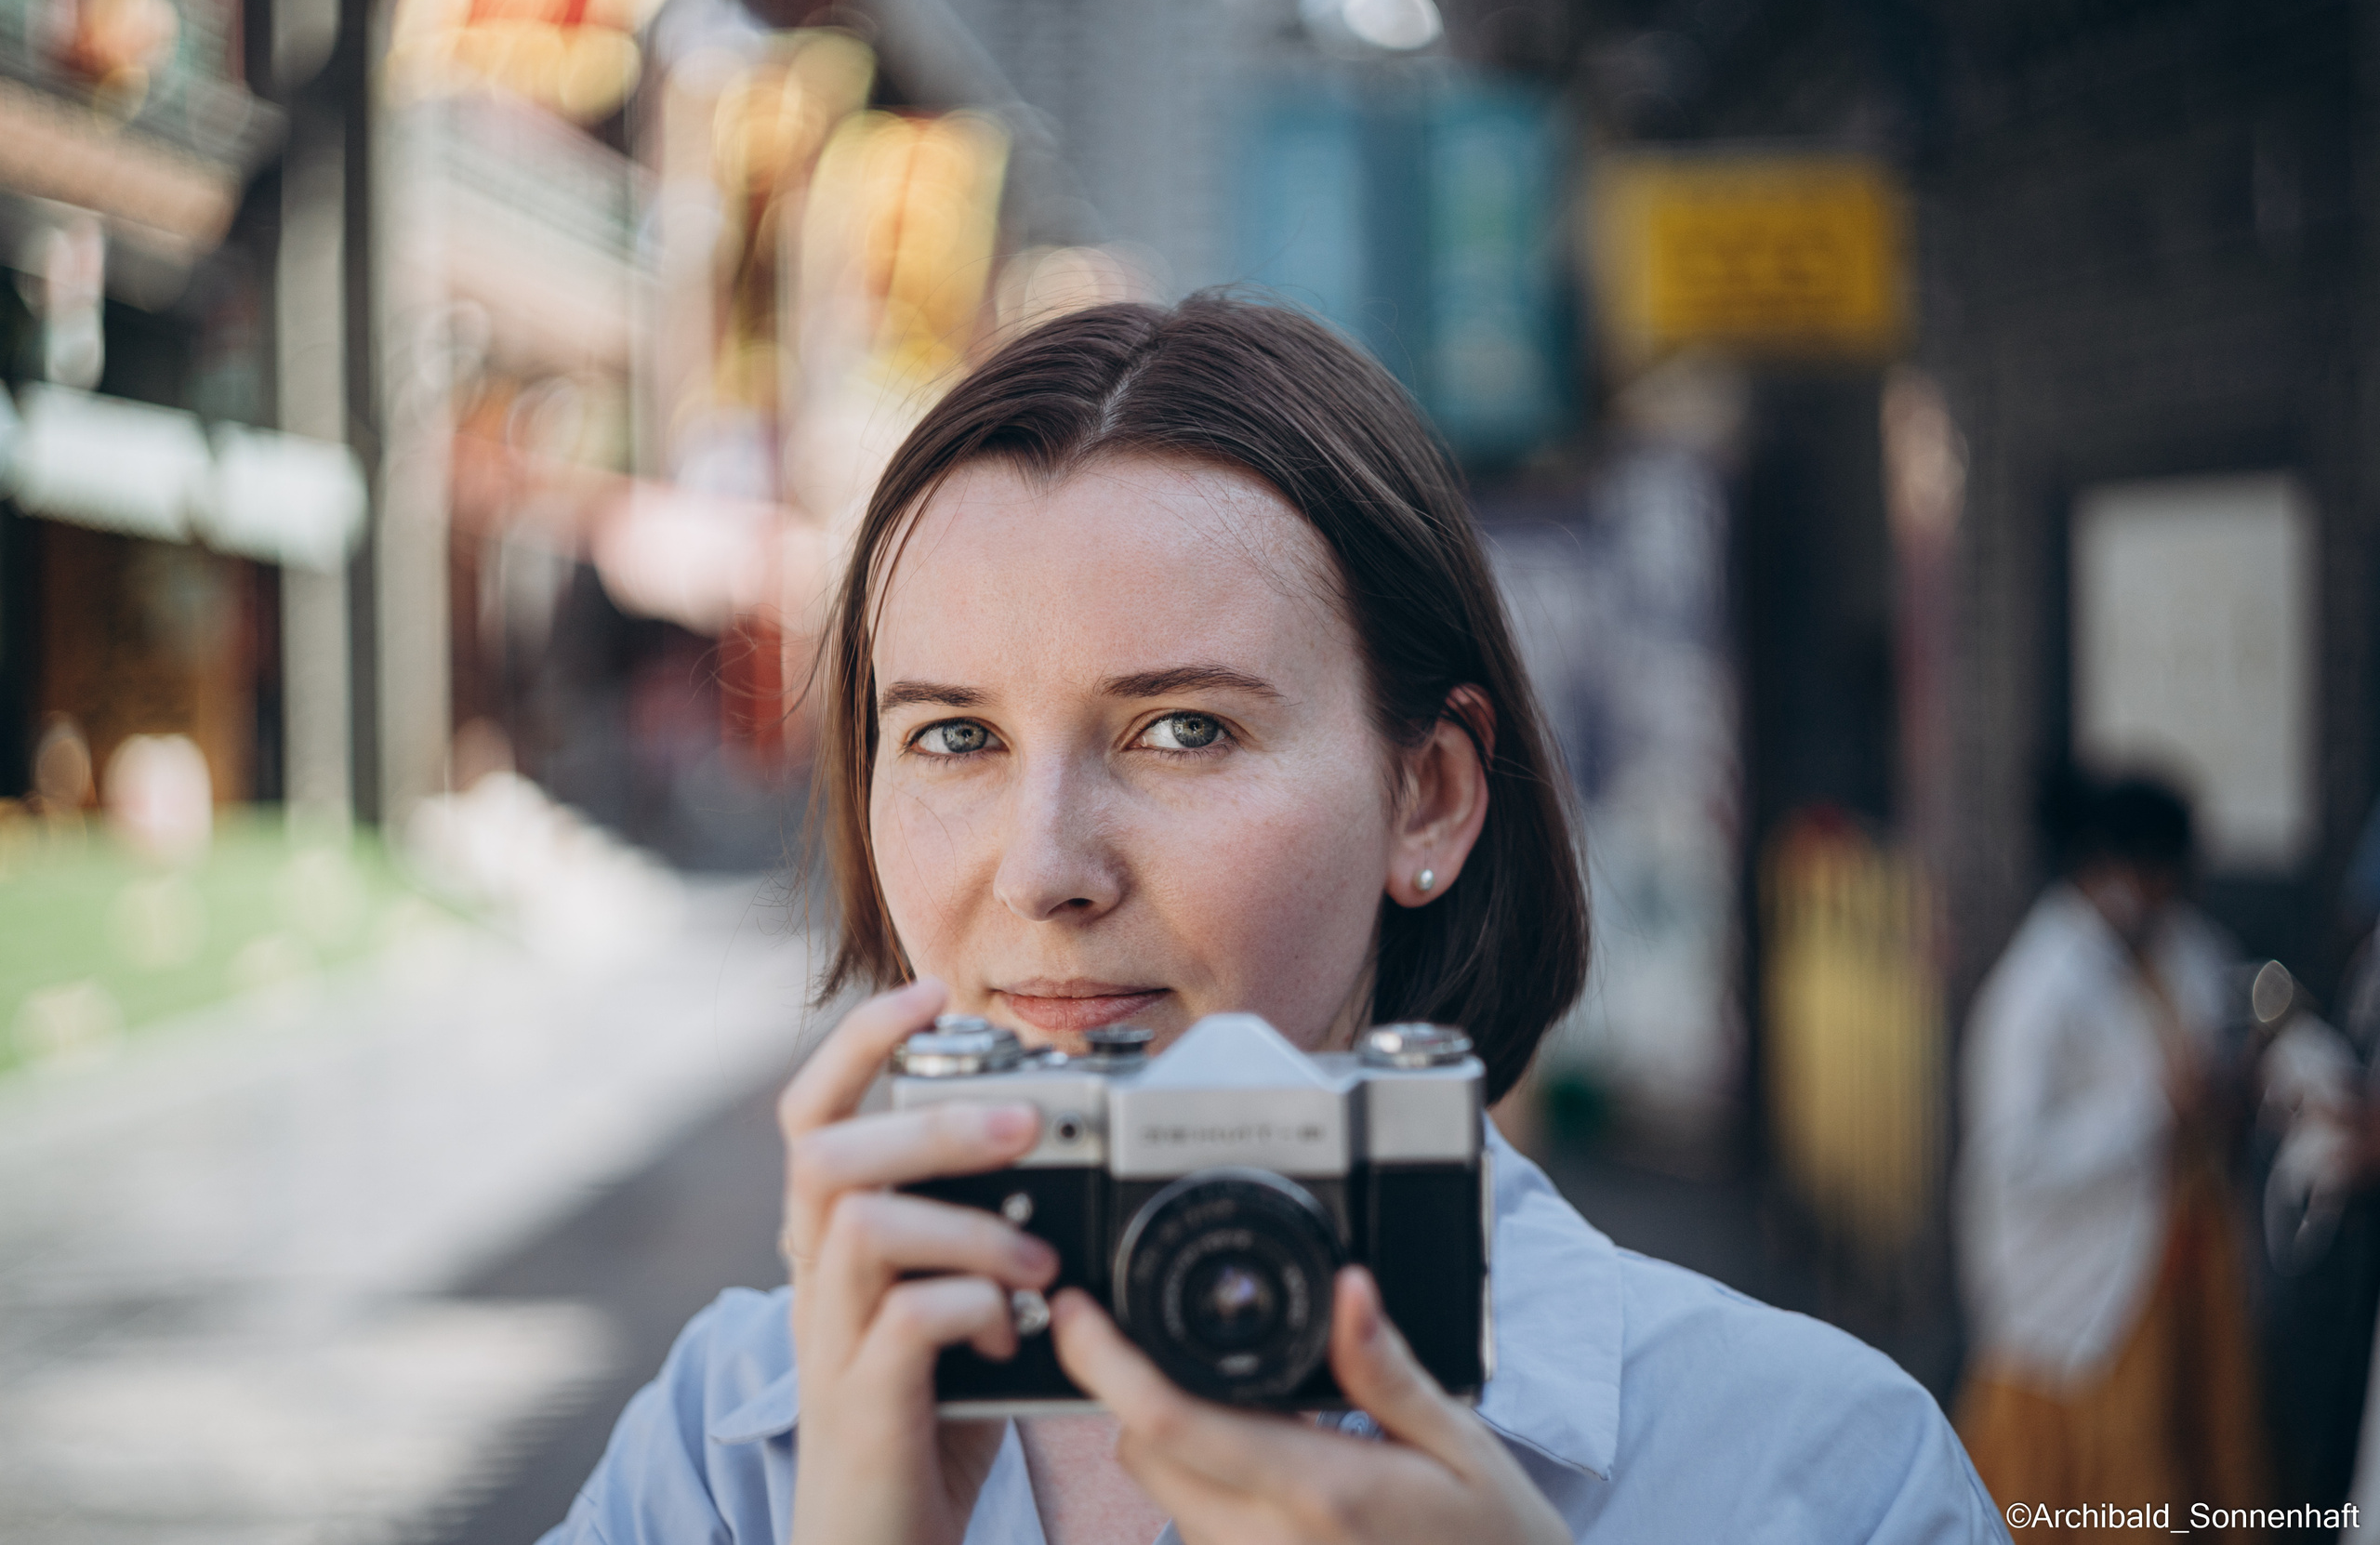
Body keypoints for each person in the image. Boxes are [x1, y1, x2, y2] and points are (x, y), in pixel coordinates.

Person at [540, 295, 2002, 1545]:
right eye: (953, 736)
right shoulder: (724, 1451)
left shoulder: (1817, 1467)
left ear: (1429, 794)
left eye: (1185, 729)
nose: (1044, 868)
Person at [1953, 774, 2268, 1528]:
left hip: (2180, 1275)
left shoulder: (2184, 948)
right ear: (2112, 869)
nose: (2168, 898)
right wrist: (2154, 1109)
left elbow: (2225, 1030)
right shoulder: (2037, 989)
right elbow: (2013, 1158)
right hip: (2082, 1294)